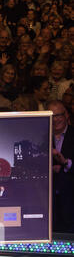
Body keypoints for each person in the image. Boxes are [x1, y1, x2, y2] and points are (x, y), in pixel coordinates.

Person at [46, 100, 74, 233]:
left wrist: (65, 163)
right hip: (48, 206)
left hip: (70, 204)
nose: (55, 120)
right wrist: (48, 169)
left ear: (67, 115)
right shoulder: (42, 136)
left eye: (58, 115)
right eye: (51, 116)